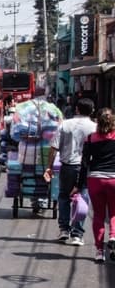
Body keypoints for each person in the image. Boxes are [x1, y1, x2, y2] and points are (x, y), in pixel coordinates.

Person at [45, 98, 95, 246]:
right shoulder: (94, 127)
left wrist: (49, 167)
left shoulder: (65, 125)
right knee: (83, 199)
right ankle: (77, 234)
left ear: (77, 109)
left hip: (67, 167)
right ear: (91, 111)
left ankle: (64, 230)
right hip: (86, 168)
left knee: (64, 197)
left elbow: (53, 148)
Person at [9, 87, 64, 216]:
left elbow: (14, 133)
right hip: (47, 153)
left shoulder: (22, 107)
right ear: (45, 95)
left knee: (28, 175)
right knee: (45, 174)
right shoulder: (53, 108)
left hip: (26, 153)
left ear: (33, 95)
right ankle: (41, 200)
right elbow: (61, 127)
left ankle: (35, 201)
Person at [77, 107, 115, 263]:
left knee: (98, 215)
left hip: (95, 180)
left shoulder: (90, 138)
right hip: (114, 179)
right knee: (114, 213)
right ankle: (113, 236)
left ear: (96, 121)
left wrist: (79, 185)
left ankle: (99, 252)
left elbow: (84, 163)